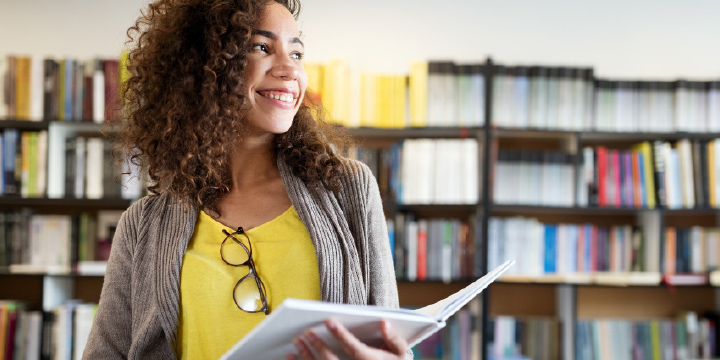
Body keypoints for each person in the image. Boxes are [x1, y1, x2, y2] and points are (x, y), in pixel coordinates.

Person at [82, 0, 412, 359]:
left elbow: (389, 339)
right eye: (262, 47)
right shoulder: (143, 225)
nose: (290, 69)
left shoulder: (348, 188)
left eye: (297, 53)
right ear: (205, 67)